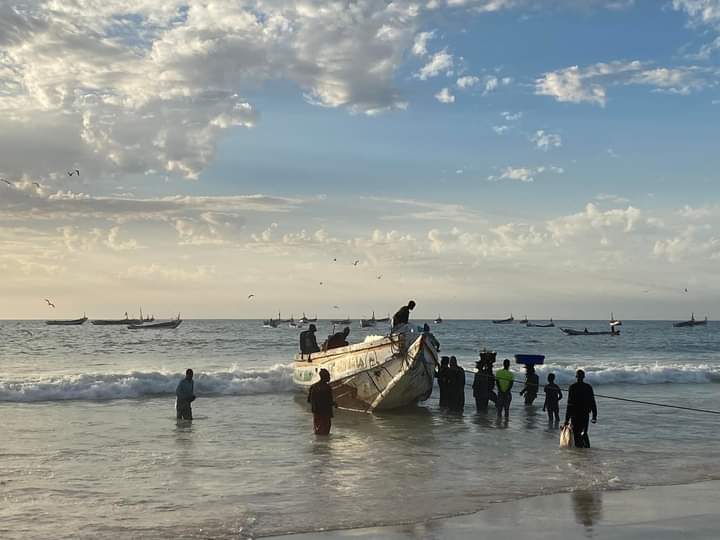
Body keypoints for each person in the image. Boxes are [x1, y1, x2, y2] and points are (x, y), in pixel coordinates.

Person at [564, 369, 597, 448]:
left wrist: (567, 419)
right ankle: (586, 449)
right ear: (583, 377)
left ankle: (580, 451)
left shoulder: (572, 387)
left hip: (575, 415)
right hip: (585, 413)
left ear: (576, 377)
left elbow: (569, 404)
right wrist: (594, 415)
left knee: (576, 434)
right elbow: (592, 401)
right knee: (584, 432)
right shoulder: (588, 387)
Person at [308, 368, 335, 435]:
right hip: (326, 413)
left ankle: (319, 441)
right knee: (325, 432)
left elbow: (309, 400)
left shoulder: (314, 386)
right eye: (328, 376)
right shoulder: (327, 387)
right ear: (324, 377)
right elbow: (329, 400)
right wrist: (334, 404)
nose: (329, 377)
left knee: (318, 431)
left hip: (317, 412)